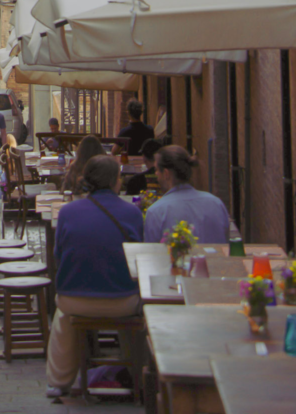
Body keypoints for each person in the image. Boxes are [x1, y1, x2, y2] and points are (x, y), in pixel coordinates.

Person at [46, 155, 143, 399]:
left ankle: (59, 381)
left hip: (74, 298)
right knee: (137, 312)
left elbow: (59, 255)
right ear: (115, 182)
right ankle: (136, 369)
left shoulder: (67, 212)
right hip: (123, 301)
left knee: (63, 320)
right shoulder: (132, 213)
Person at [144, 145, 230, 243]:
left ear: (166, 173)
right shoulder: (216, 203)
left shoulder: (156, 211)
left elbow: (153, 253)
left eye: (156, 170)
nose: (156, 174)